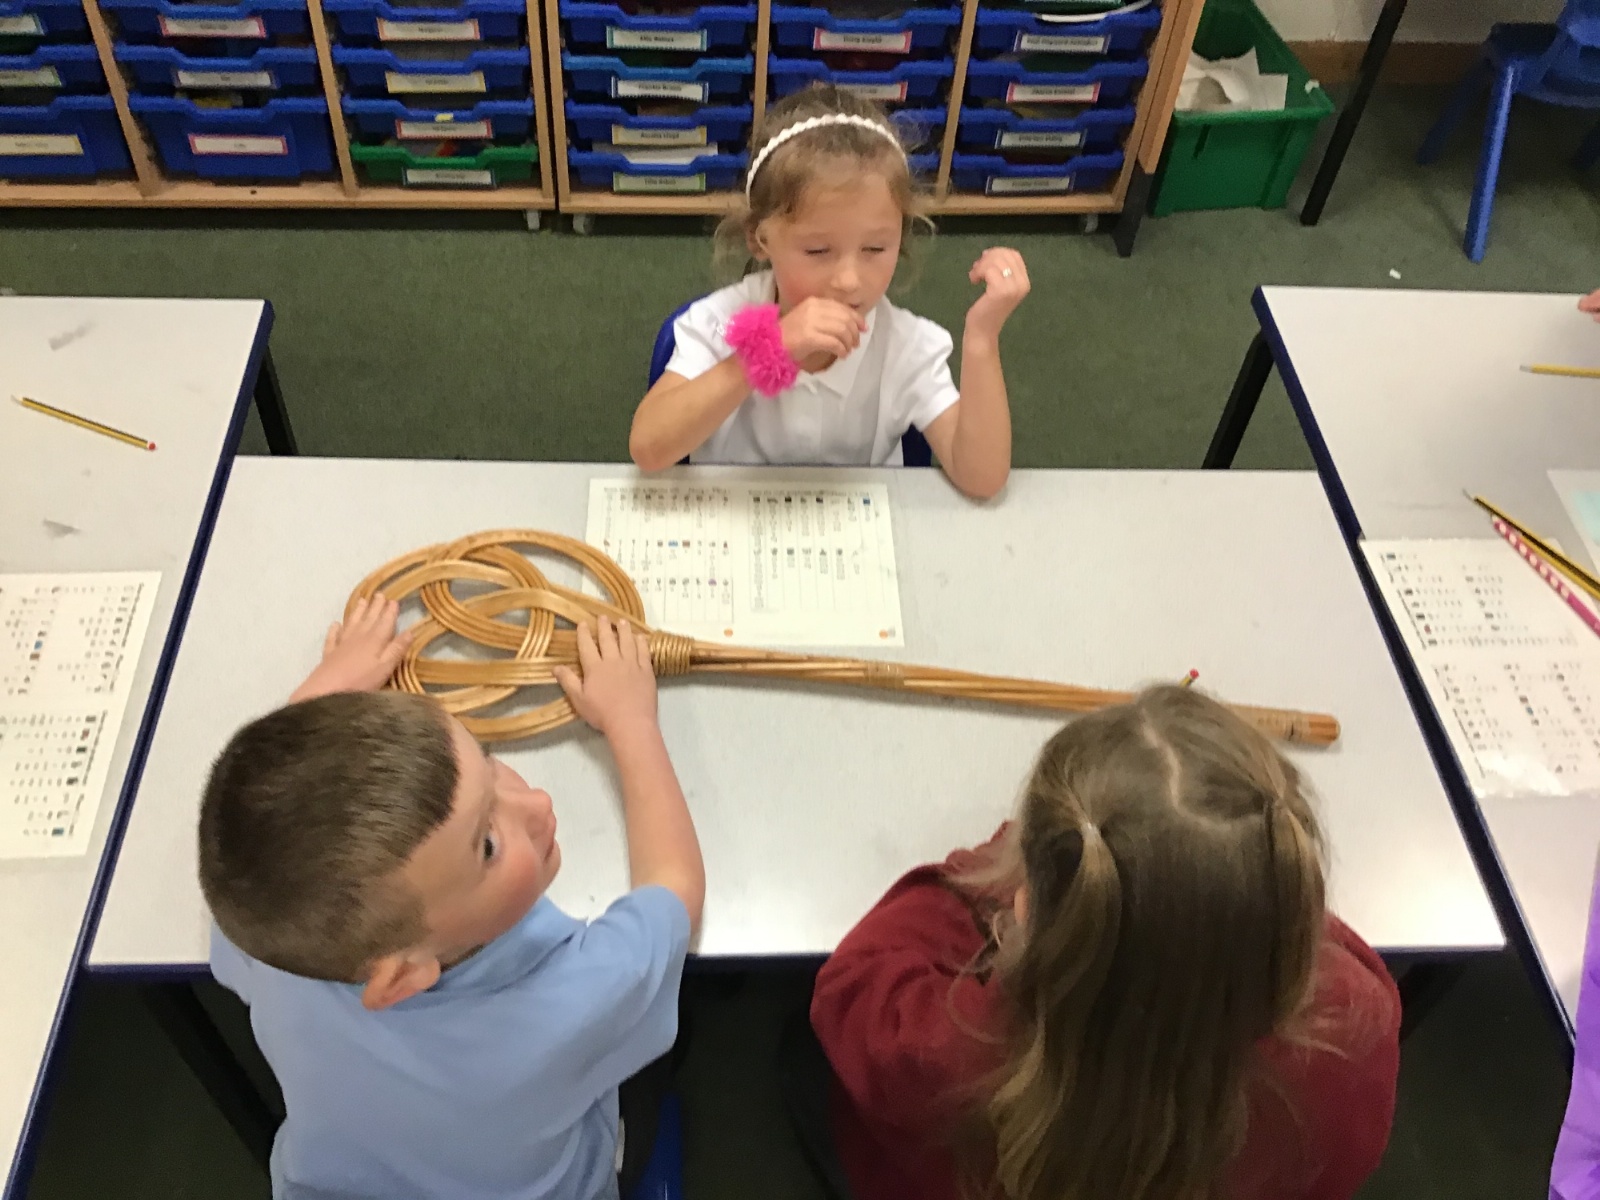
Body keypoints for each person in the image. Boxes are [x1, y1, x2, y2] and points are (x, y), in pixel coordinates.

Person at [198, 597, 703, 1200]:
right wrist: (632, 722)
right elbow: (675, 887)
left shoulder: (274, 933)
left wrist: (324, 702)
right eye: (487, 844)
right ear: (403, 975)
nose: (537, 804)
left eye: (489, 763)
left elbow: (257, 836)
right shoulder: (571, 1002)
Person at [810, 685, 1402, 1200]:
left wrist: (996, 869)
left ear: (1027, 901)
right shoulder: (1357, 1035)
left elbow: (854, 978)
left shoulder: (940, 1047)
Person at [629, 84, 1029, 500]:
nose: (849, 280)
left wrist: (982, 338)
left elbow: (982, 478)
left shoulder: (905, 347)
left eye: (876, 248)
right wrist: (765, 353)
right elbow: (649, 448)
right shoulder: (718, 324)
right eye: (818, 251)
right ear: (760, 239)